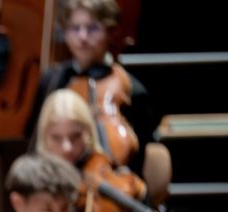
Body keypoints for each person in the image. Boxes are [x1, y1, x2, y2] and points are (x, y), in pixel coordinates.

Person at [27, 0, 154, 174]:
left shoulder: (132, 89)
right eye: (74, 28)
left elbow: (141, 158)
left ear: (111, 32)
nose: (83, 37)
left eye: (92, 28)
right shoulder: (51, 81)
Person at [34, 87, 155, 212]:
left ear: (89, 133)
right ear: (44, 138)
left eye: (75, 136)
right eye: (56, 138)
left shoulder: (114, 173)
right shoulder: (35, 179)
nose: (67, 147)